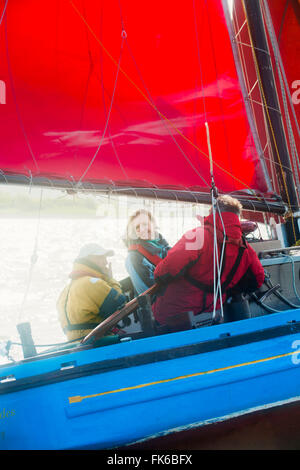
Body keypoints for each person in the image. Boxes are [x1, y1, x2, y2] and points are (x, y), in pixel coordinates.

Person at [152, 195, 265, 331]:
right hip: (213, 314)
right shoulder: (245, 247)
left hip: (174, 316)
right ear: (237, 217)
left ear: (213, 213)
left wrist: (158, 275)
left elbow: (165, 271)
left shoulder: (197, 236)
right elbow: (257, 280)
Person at [57, 243, 127, 341]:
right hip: (97, 342)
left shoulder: (65, 291)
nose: (106, 262)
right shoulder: (92, 283)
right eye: (102, 258)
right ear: (90, 259)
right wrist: (110, 279)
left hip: (76, 345)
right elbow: (120, 304)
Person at [124, 209, 170, 295]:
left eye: (145, 224)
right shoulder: (134, 258)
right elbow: (148, 294)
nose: (142, 229)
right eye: (137, 227)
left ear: (154, 224)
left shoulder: (165, 247)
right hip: (158, 305)